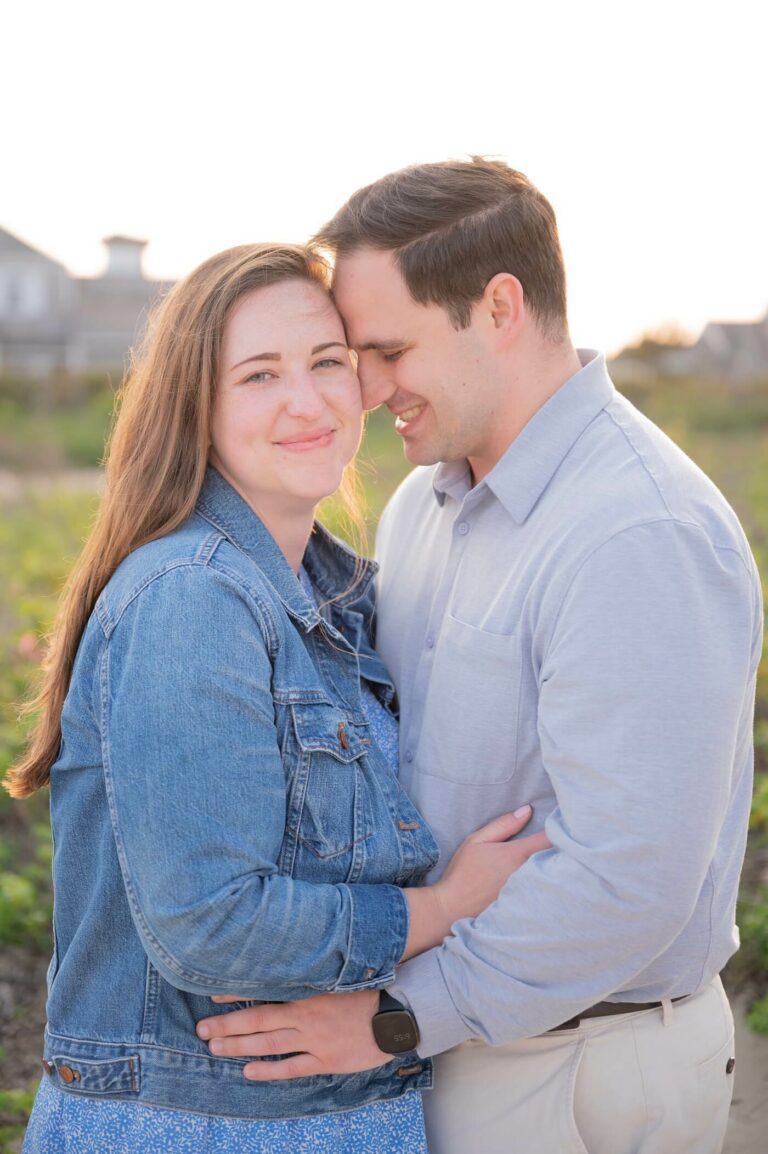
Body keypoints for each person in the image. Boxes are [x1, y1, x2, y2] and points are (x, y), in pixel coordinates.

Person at [197, 160, 764, 1154]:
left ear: (499, 306)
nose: (363, 389)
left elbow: (627, 877)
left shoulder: (637, 531)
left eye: (388, 348)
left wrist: (392, 1014)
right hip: (456, 1040)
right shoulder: (426, 502)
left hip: (580, 1068)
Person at [6, 242, 549, 1154]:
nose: (308, 400)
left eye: (327, 362)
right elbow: (208, 921)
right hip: (199, 1126)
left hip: (314, 1116)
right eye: (259, 375)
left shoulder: (330, 601)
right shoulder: (193, 596)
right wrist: (441, 910)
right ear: (198, 407)